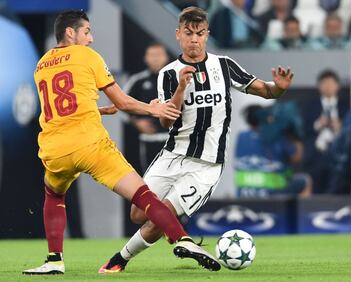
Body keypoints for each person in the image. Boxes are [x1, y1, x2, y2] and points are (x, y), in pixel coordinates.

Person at [22, 10, 219, 275]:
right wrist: (155, 110)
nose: (90, 39)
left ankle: (54, 259)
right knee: (143, 194)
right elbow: (123, 102)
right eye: (86, 32)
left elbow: (57, 108)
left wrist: (98, 111)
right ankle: (181, 238)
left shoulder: (41, 64)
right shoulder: (88, 56)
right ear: (71, 32)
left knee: (54, 195)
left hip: (55, 148)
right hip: (90, 146)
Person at [99, 6, 294, 273]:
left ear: (207, 35)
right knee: (138, 214)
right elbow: (166, 122)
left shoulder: (224, 66)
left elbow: (265, 92)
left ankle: (118, 260)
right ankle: (181, 239)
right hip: (173, 155)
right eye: (189, 33)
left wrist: (278, 89)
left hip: (206, 165)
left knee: (161, 216)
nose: (194, 39)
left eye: (200, 33)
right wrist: (181, 88)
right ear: (178, 35)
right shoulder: (168, 73)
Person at [123, 43, 170, 175]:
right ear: (145, 58)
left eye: (159, 55)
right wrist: (136, 121)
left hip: (175, 140)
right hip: (149, 141)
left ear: (166, 57)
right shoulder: (137, 81)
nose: (156, 59)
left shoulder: (177, 79)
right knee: (151, 179)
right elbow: (120, 105)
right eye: (152, 55)